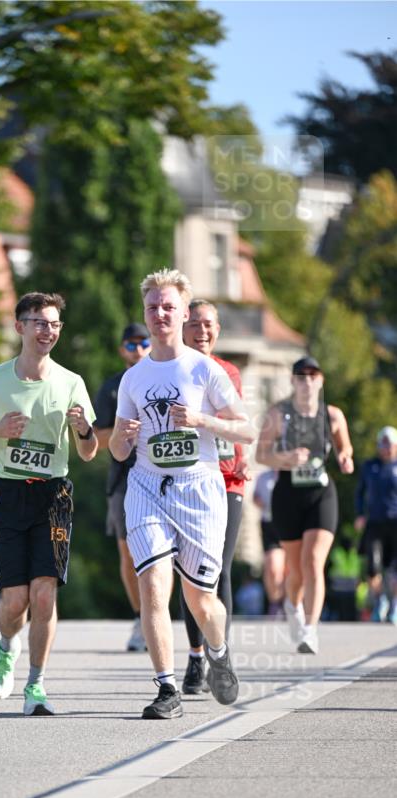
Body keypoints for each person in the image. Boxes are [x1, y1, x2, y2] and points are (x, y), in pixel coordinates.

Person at [109, 268, 254, 719]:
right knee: (154, 585)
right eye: (152, 307)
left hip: (199, 489)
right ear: (145, 313)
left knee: (201, 600)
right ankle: (166, 688)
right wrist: (122, 439)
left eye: (168, 307)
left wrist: (201, 421)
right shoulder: (133, 378)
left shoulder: (204, 369)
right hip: (147, 487)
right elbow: (116, 450)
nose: (160, 314)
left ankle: (218, 651)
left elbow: (246, 429)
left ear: (183, 313)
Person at [0, 292, 97, 717]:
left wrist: (83, 430)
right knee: (15, 601)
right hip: (6, 493)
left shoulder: (71, 382)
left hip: (52, 495)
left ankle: (35, 684)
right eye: (39, 322)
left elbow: (89, 452)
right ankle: (6, 647)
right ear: (20, 327)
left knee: (44, 593)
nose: (47, 331)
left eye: (54, 324)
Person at [255, 355, 354, 654]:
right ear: (293, 381)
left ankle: (310, 630)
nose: (307, 381)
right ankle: (292, 604)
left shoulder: (332, 415)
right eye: (301, 376)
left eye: (313, 375)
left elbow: (345, 446)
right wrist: (285, 458)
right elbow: (261, 455)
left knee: (313, 562)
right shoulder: (278, 414)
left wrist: (345, 457)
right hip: (287, 494)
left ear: (321, 380)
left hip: (321, 493)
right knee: (296, 570)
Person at [178, 299, 251, 694]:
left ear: (218, 330)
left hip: (228, 481)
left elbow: (237, 421)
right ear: (182, 328)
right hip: (189, 481)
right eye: (194, 324)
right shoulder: (174, 370)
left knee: (220, 569)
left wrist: (243, 456)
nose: (201, 331)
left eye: (208, 324)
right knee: (189, 572)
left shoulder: (229, 371)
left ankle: (218, 656)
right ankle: (194, 656)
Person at [94, 323, 151, 652]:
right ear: (122, 350)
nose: (138, 349)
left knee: (163, 555)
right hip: (124, 479)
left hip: (163, 475)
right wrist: (122, 429)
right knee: (128, 555)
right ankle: (141, 617)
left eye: (143, 342)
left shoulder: (165, 378)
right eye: (131, 344)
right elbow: (95, 438)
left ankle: (158, 617)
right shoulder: (112, 387)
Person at [354, 425, 397, 624]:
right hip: (375, 523)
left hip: (395, 523)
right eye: (383, 445)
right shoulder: (370, 466)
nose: (386, 449)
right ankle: (380, 601)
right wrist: (360, 514)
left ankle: (394, 604)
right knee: (373, 566)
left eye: (389, 445)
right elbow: (360, 493)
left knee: (395, 568)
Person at [252, 468, 286, 617]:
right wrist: (260, 502)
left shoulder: (291, 474)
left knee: (290, 568)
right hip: (269, 524)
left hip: (290, 523)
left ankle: (291, 603)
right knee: (273, 567)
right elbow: (255, 497)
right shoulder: (263, 476)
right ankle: (275, 602)